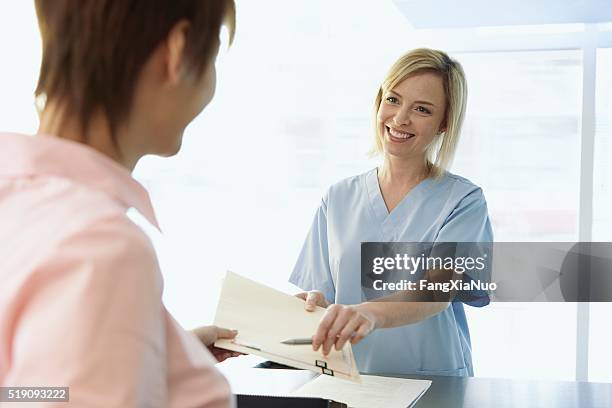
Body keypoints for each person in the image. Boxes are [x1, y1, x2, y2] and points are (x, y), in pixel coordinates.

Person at [0, 1, 239, 406]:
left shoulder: (19, 200)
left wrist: (156, 353)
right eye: (213, 52)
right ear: (178, 50)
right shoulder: (101, 249)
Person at [290, 48, 493, 376]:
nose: (400, 119)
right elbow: (326, 296)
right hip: (347, 382)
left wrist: (371, 313)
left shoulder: (463, 201)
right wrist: (315, 306)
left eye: (422, 109)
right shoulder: (338, 198)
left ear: (444, 123)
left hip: (433, 384)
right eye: (393, 100)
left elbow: (438, 289)